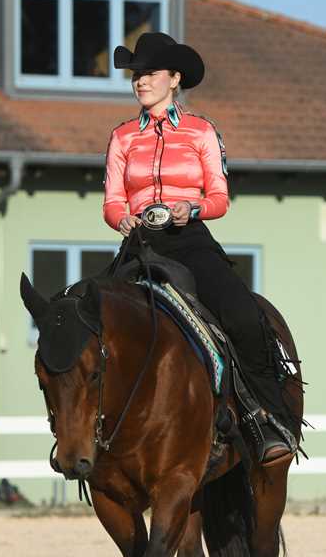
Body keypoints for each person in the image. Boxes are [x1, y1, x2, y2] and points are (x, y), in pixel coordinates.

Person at [103, 32, 296, 463]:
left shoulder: (202, 132)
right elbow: (113, 201)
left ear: (174, 79)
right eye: (136, 75)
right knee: (93, 319)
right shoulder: (121, 138)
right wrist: (122, 219)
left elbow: (220, 199)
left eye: (150, 73)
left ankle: (266, 417)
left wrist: (191, 208)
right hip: (139, 244)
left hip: (188, 239)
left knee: (242, 315)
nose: (140, 81)